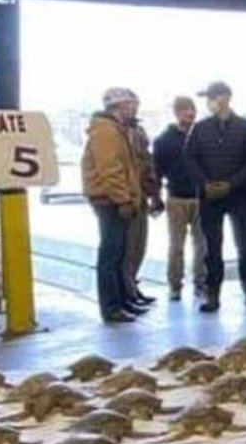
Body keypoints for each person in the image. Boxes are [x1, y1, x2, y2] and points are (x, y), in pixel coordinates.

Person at [183, 80, 246, 313]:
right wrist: (205, 183)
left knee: (245, 245)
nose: (209, 102)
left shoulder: (245, 127)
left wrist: (231, 184)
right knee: (212, 247)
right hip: (210, 197)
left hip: (240, 196)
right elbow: (189, 158)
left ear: (225, 98)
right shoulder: (200, 128)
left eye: (212, 97)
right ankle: (212, 293)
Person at [82, 87, 144, 323]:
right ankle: (111, 307)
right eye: (131, 105)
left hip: (113, 199)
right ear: (119, 106)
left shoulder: (115, 129)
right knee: (111, 254)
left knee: (118, 253)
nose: (134, 109)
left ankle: (122, 301)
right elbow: (111, 169)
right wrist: (123, 199)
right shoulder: (107, 131)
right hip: (109, 201)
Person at [153, 96, 206, 301]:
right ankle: (175, 285)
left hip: (201, 197)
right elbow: (157, 172)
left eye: (192, 109)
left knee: (202, 245)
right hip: (176, 198)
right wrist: (156, 198)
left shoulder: (202, 136)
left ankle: (201, 283)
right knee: (176, 246)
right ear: (176, 113)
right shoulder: (163, 140)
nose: (189, 113)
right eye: (184, 109)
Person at [120, 99, 160, 311]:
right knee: (126, 250)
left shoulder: (138, 131)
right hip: (127, 197)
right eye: (129, 105)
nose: (133, 109)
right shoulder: (116, 132)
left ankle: (132, 287)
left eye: (135, 105)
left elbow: (147, 162)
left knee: (139, 246)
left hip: (141, 194)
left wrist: (154, 193)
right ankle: (125, 293)